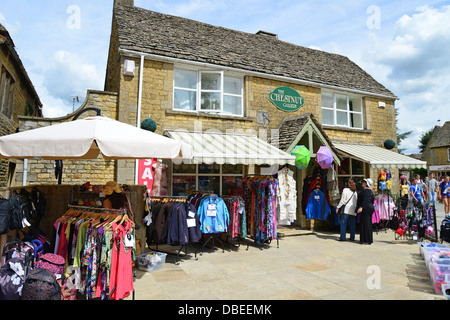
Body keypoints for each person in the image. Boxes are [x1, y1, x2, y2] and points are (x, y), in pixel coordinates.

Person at [356, 178, 375, 245]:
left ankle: (365, 240)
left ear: (366, 184)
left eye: (364, 182)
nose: (362, 183)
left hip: (365, 208)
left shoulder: (365, 192)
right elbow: (372, 200)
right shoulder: (370, 192)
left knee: (364, 224)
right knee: (368, 223)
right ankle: (369, 239)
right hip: (369, 208)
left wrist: (361, 207)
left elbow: (365, 200)